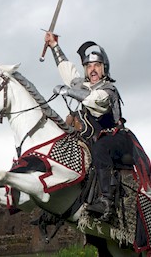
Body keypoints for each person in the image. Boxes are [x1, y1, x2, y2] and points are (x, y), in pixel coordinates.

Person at [44, 31, 136, 222]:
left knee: (101, 146)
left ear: (104, 68)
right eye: (89, 66)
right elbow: (68, 70)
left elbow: (95, 100)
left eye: (97, 65)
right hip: (92, 137)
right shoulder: (84, 85)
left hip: (115, 138)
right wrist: (54, 45)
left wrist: (68, 91)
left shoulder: (108, 89)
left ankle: (106, 201)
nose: (93, 69)